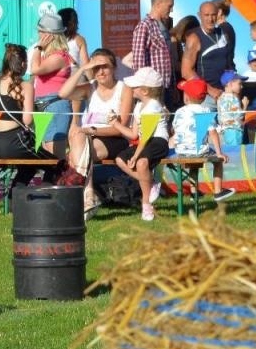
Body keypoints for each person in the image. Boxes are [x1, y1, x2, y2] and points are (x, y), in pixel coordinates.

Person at [60, 48, 133, 218]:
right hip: (87, 137)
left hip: (114, 138)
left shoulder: (124, 89)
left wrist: (91, 130)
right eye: (96, 68)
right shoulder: (90, 88)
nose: (100, 72)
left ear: (114, 67)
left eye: (104, 66)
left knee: (76, 150)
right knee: (79, 138)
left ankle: (83, 196)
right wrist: (82, 69)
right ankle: (88, 194)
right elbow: (63, 93)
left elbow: (120, 127)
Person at [0, 44, 53, 193]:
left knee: (29, 165)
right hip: (14, 143)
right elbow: (27, 120)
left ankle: (14, 196)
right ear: (22, 64)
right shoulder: (26, 86)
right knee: (55, 163)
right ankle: (46, 197)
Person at [111, 68, 170, 220]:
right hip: (144, 142)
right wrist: (115, 123)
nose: (131, 89)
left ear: (144, 91)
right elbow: (134, 134)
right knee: (120, 159)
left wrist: (135, 156)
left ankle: (146, 204)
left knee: (141, 163)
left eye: (134, 86)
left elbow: (147, 136)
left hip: (158, 141)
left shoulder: (153, 107)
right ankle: (149, 182)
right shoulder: (138, 106)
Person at [168, 77, 235, 203]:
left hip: (181, 152)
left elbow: (173, 130)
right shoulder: (205, 111)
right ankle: (218, 191)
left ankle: (194, 192)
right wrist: (219, 153)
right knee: (217, 161)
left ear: (186, 97)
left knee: (194, 163)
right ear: (204, 98)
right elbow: (213, 133)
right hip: (199, 151)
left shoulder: (179, 111)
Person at [28, 12, 76, 153]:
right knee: (45, 151)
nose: (38, 35)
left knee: (54, 152)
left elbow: (35, 69)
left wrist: (38, 48)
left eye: (41, 32)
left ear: (49, 35)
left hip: (54, 104)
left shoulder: (58, 57)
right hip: (44, 104)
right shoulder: (50, 56)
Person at [181, 0, 236, 102]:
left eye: (213, 15)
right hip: (206, 97)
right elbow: (186, 71)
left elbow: (229, 63)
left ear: (218, 14)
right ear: (199, 15)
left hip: (226, 94)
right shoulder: (194, 38)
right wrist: (210, 90)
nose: (210, 19)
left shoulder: (223, 34)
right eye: (206, 15)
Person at [128, 0, 176, 84]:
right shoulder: (145, 26)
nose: (171, 10)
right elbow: (138, 60)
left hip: (166, 85)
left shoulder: (163, 26)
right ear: (158, 4)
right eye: (169, 6)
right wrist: (143, 86)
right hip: (152, 86)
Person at [217, 71, 247, 151]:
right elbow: (239, 116)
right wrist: (245, 106)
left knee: (229, 152)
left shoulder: (221, 97)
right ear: (230, 84)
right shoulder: (233, 98)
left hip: (225, 131)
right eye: (239, 84)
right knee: (235, 152)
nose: (241, 86)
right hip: (234, 131)